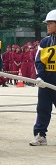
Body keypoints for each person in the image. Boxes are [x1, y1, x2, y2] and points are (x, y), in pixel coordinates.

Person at [29, 9, 56, 146]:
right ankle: (40, 135)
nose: (47, 26)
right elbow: (39, 60)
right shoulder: (45, 42)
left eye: (50, 23)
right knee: (43, 108)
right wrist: (39, 76)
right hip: (46, 80)